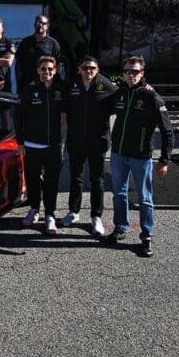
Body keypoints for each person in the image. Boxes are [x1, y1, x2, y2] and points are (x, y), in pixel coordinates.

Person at [106, 56, 174, 258]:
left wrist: (164, 159)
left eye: (134, 71)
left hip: (141, 156)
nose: (130, 75)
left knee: (145, 198)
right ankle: (120, 227)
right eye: (126, 71)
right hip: (118, 153)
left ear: (142, 73)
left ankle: (146, 236)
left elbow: (167, 130)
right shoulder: (120, 93)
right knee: (119, 194)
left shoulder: (152, 97)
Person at [62, 56, 117, 236]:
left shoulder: (107, 86)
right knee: (76, 177)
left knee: (97, 180)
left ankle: (96, 216)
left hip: (98, 142)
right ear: (79, 69)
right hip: (75, 141)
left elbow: (126, 97)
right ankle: (74, 212)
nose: (88, 71)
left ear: (97, 69)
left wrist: (145, 85)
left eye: (92, 68)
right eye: (85, 67)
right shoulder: (71, 85)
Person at [17, 56, 66, 234]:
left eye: (50, 69)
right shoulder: (29, 90)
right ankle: (33, 209)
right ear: (38, 70)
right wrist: (20, 142)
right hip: (31, 144)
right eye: (43, 69)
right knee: (32, 179)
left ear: (56, 70)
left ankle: (50, 214)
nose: (47, 72)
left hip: (53, 144)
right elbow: (18, 117)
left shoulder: (61, 90)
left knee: (52, 181)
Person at [15, 14, 63, 93]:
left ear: (47, 26)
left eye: (43, 23)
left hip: (46, 85)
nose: (40, 25)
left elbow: (59, 64)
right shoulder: (25, 42)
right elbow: (18, 65)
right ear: (34, 25)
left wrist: (54, 81)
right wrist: (19, 82)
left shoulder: (53, 43)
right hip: (27, 84)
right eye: (38, 23)